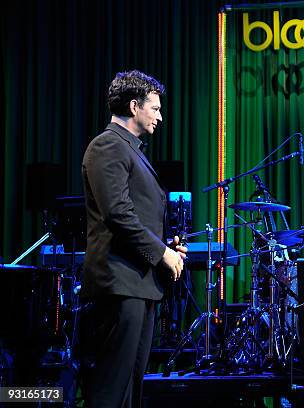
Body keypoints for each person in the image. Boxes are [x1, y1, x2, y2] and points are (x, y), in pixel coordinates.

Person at [80, 70, 187, 407]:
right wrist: (162, 254)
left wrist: (166, 247)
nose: (160, 115)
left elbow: (134, 215)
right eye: (154, 108)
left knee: (130, 392)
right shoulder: (107, 146)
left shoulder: (131, 149)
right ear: (134, 106)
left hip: (138, 285)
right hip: (119, 284)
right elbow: (118, 214)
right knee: (111, 390)